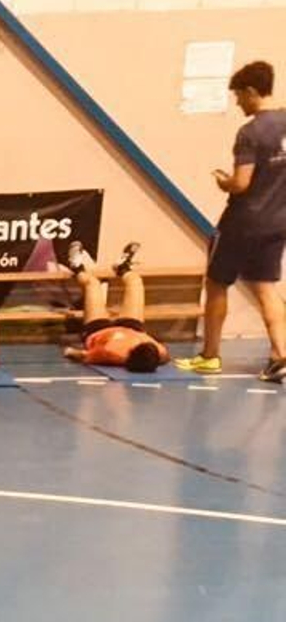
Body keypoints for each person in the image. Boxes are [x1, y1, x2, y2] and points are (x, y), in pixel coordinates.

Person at [175, 60, 286, 383]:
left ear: (252, 91)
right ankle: (281, 355)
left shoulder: (250, 132)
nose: (237, 102)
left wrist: (223, 181)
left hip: (242, 221)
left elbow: (242, 183)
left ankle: (209, 356)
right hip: (278, 221)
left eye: (239, 95)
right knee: (266, 288)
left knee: (217, 283)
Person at [61, 243, 169, 373]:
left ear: (131, 352)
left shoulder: (110, 353)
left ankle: (77, 267)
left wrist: (71, 352)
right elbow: (165, 356)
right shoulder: (159, 351)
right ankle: (122, 268)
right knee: (136, 281)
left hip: (98, 330)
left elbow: (80, 355)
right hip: (132, 327)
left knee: (93, 284)